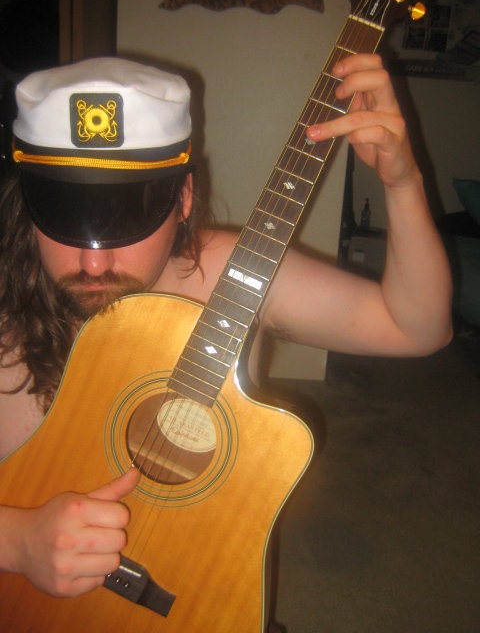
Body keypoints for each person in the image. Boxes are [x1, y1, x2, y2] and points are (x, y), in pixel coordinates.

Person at [0, 55, 451, 608]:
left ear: (183, 199)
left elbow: (418, 328)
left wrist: (402, 183)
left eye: (127, 218)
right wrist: (18, 541)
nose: (94, 263)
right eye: (64, 218)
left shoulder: (234, 274)